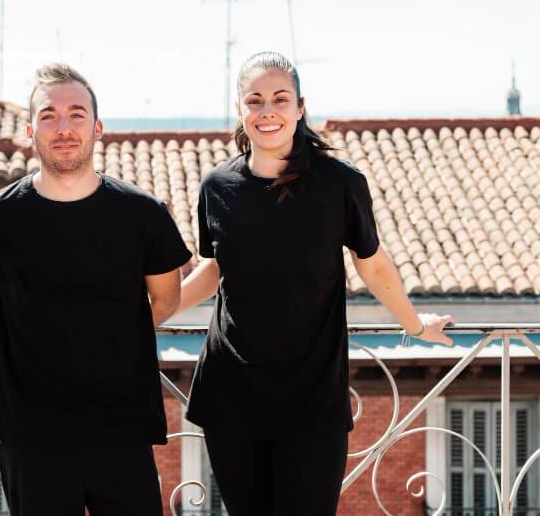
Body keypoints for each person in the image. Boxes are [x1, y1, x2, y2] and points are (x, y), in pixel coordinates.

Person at [178, 52, 454, 515]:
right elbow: (214, 268)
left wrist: (414, 324)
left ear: (300, 107)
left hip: (312, 395)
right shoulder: (217, 187)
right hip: (230, 391)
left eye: (280, 99)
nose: (268, 111)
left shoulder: (339, 183)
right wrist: (148, 313)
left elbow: (373, 264)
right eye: (255, 100)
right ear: (240, 109)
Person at [0, 63, 193, 515]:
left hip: (122, 429)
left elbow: (168, 295)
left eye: (76, 114)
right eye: (49, 115)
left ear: (97, 127)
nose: (63, 127)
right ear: (31, 130)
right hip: (32, 434)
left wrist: (114, 332)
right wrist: (9, 322)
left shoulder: (142, 214)